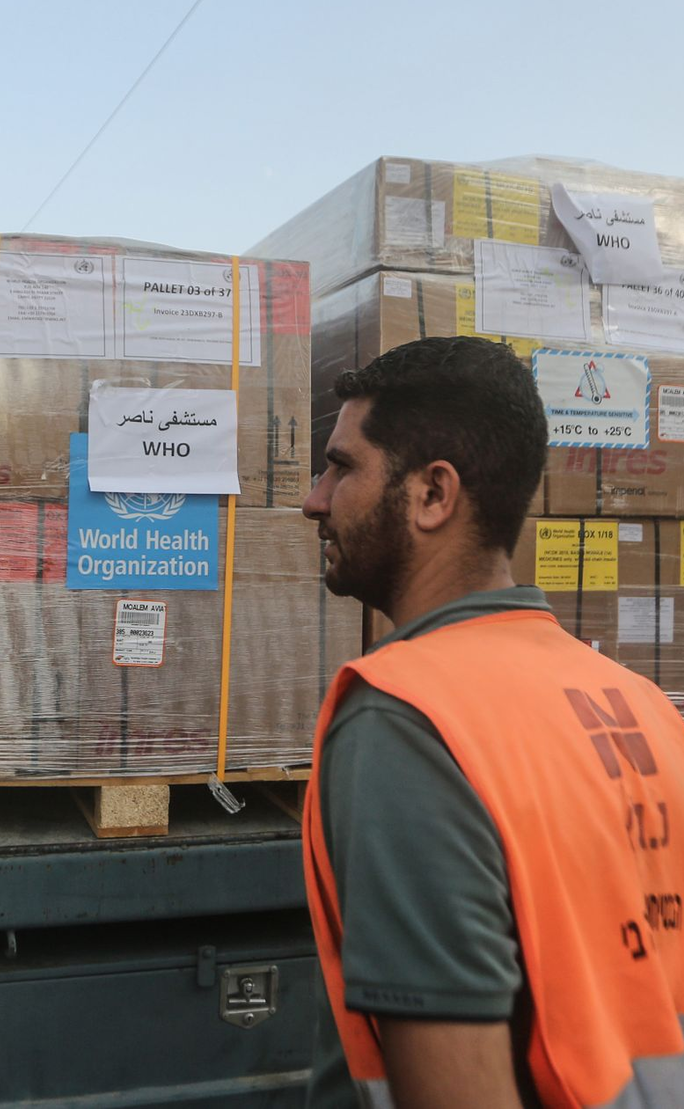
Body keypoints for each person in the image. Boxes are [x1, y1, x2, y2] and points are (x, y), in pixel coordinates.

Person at [299, 335, 684, 1109]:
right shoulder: (643, 704)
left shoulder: (407, 719)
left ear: (433, 494)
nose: (315, 496)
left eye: (343, 466)